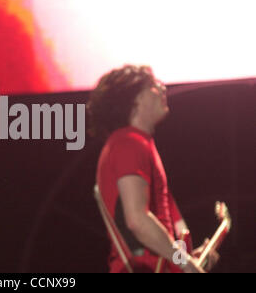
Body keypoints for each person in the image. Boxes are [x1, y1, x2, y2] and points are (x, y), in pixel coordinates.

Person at [87, 65, 219, 273]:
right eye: (153, 85)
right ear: (135, 100)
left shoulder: (136, 143)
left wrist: (187, 259)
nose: (163, 89)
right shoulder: (128, 142)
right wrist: (184, 262)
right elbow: (137, 221)